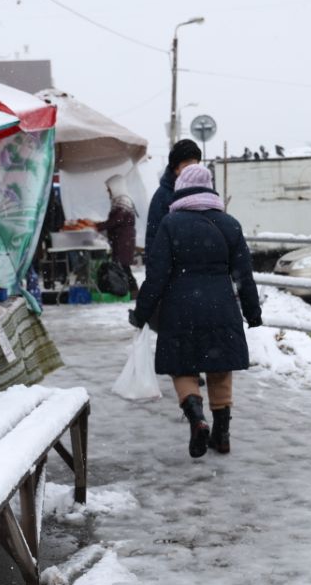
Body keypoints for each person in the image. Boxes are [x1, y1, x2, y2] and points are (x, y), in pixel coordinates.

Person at [130, 164, 262, 458]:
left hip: (180, 309)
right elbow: (244, 275)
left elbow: (157, 276)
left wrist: (142, 313)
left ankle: (197, 419)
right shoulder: (229, 224)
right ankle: (223, 433)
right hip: (221, 308)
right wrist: (253, 313)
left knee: (182, 367)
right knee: (219, 369)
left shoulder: (170, 224)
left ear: (181, 189)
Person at [144, 139, 202, 259]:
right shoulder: (162, 196)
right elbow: (153, 239)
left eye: (195, 166)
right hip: (175, 268)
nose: (191, 171)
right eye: (187, 166)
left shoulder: (206, 195)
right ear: (175, 168)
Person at [100, 174, 137, 270]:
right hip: (122, 240)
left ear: (115, 187)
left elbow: (116, 220)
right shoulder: (119, 200)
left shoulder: (123, 201)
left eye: (109, 188)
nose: (108, 191)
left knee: (123, 269)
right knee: (123, 269)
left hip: (123, 241)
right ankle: (129, 285)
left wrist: (98, 226)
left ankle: (129, 285)